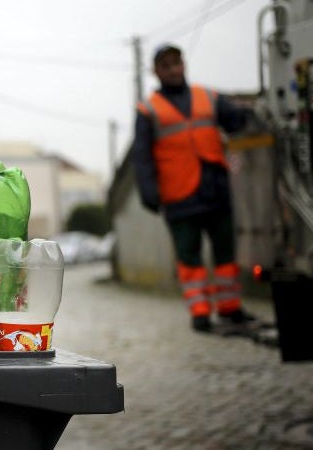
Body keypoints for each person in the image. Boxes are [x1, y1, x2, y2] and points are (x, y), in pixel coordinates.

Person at [131, 43, 255, 332]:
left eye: (177, 62)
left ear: (183, 64)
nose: (173, 69)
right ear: (156, 71)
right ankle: (200, 313)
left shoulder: (208, 97)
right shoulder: (148, 109)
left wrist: (246, 114)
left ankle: (230, 308)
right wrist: (149, 193)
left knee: (226, 255)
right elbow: (142, 156)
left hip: (216, 189)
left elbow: (235, 120)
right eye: (166, 65)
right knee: (190, 258)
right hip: (179, 195)